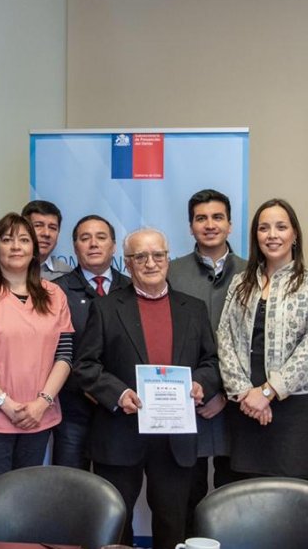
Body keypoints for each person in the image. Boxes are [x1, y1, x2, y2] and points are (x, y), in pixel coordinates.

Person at [75, 228, 220, 549]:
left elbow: (211, 362)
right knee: (116, 524)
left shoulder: (193, 308)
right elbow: (86, 366)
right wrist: (118, 394)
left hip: (174, 437)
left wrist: (200, 383)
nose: (150, 263)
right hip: (120, 432)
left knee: (173, 525)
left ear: (168, 259)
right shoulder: (106, 307)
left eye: (158, 255)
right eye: (140, 257)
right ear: (127, 263)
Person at [216, 198, 308, 480]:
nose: (272, 235)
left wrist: (267, 393)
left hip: (297, 410)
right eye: (264, 228)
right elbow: (224, 338)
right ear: (255, 236)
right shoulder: (240, 283)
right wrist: (246, 394)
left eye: (281, 227)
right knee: (246, 494)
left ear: (295, 234)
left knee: (292, 494)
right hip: (245, 406)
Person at [0, 213, 73, 499]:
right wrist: (5, 404)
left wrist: (42, 403)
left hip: (40, 415)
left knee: (27, 497)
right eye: (7, 240)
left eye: (23, 240)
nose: (16, 246)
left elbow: (64, 354)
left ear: (34, 250)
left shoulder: (54, 294)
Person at [166, 189, 246, 521]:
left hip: (240, 406)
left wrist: (225, 394)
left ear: (230, 225)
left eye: (217, 217)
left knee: (236, 501)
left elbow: (257, 344)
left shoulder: (252, 272)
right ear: (190, 227)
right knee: (187, 497)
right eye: (201, 218)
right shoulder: (170, 272)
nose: (210, 225)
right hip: (187, 402)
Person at [53, 214, 130, 469]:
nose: (93, 244)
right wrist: (87, 385)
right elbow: (51, 350)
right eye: (85, 238)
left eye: (101, 237)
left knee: (116, 485)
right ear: (75, 247)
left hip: (120, 407)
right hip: (73, 407)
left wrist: (111, 391)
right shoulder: (56, 291)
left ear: (114, 246)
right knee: (71, 484)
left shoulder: (131, 288)